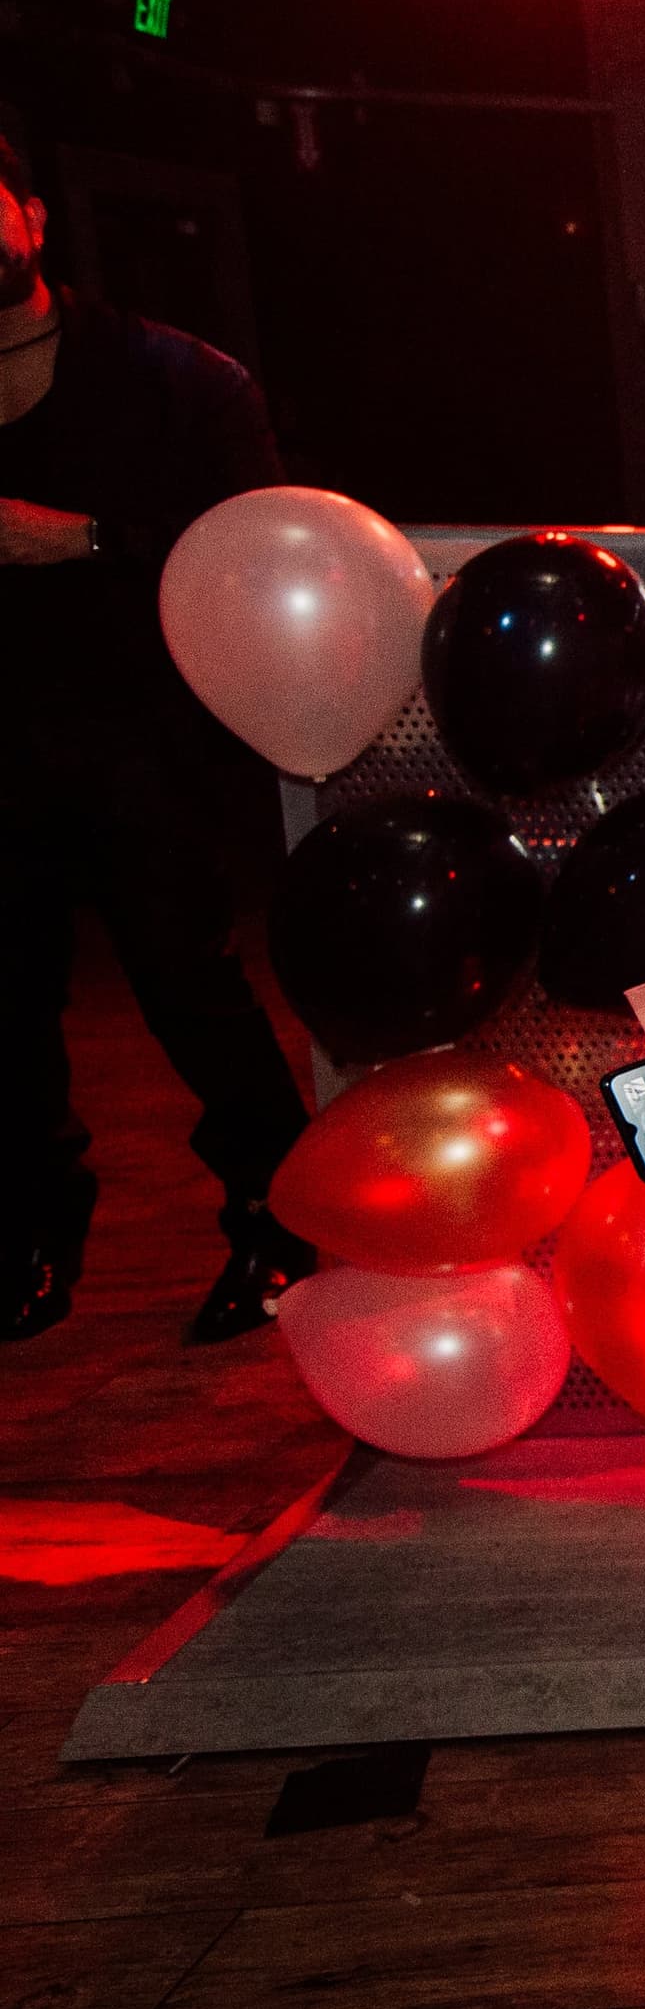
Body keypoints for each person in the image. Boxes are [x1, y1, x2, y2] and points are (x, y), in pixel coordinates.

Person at [0, 127, 312, 1346]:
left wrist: (76, 538)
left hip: (141, 746)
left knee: (194, 997)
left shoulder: (178, 379)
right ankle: (31, 1235)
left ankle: (277, 1223)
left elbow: (252, 553)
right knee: (5, 1015)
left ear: (30, 216)